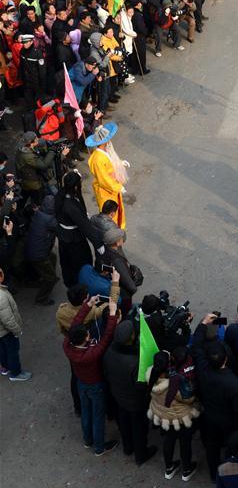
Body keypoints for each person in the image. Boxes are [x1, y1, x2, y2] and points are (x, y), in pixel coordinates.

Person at [63, 293, 119, 455]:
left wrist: (87, 305)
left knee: (86, 411)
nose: (89, 334)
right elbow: (107, 337)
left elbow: (75, 324)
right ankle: (99, 447)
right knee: (98, 415)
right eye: (87, 334)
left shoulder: (68, 345)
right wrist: (113, 314)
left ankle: (88, 440)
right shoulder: (91, 354)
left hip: (82, 383)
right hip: (95, 385)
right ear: (85, 338)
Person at [103, 319, 157, 466]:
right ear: (132, 337)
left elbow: (106, 373)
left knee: (124, 422)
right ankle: (141, 455)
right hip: (135, 401)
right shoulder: (135, 362)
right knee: (139, 428)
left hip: (118, 396)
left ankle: (128, 447)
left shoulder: (109, 352)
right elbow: (140, 385)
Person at [196, 338, 238, 482]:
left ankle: (214, 474)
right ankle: (229, 473)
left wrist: (203, 325)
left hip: (210, 416)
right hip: (229, 420)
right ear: (226, 359)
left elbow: (197, 348)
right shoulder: (233, 383)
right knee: (230, 445)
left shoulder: (202, 370)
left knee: (212, 445)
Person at [147, 349, 199, 482]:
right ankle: (186, 470)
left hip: (163, 416)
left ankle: (169, 468)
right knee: (185, 443)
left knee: (168, 441)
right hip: (180, 418)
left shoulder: (150, 375)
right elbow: (189, 399)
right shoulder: (174, 384)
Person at [86, 122, 129, 229]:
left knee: (116, 210)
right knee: (110, 215)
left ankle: (118, 229)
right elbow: (103, 179)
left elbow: (110, 165)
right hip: (106, 190)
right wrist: (118, 187)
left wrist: (120, 163)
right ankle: (112, 233)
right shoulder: (97, 159)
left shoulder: (104, 152)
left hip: (111, 188)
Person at [24, 194, 59, 305]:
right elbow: (59, 226)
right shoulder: (49, 220)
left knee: (53, 257)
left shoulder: (39, 213)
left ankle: (47, 274)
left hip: (34, 249)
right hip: (39, 254)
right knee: (51, 279)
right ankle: (41, 299)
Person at [0, 265, 32, 381]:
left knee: (2, 349)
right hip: (6, 331)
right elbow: (7, 319)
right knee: (12, 351)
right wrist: (17, 330)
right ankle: (16, 373)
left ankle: (5, 367)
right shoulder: (1, 296)